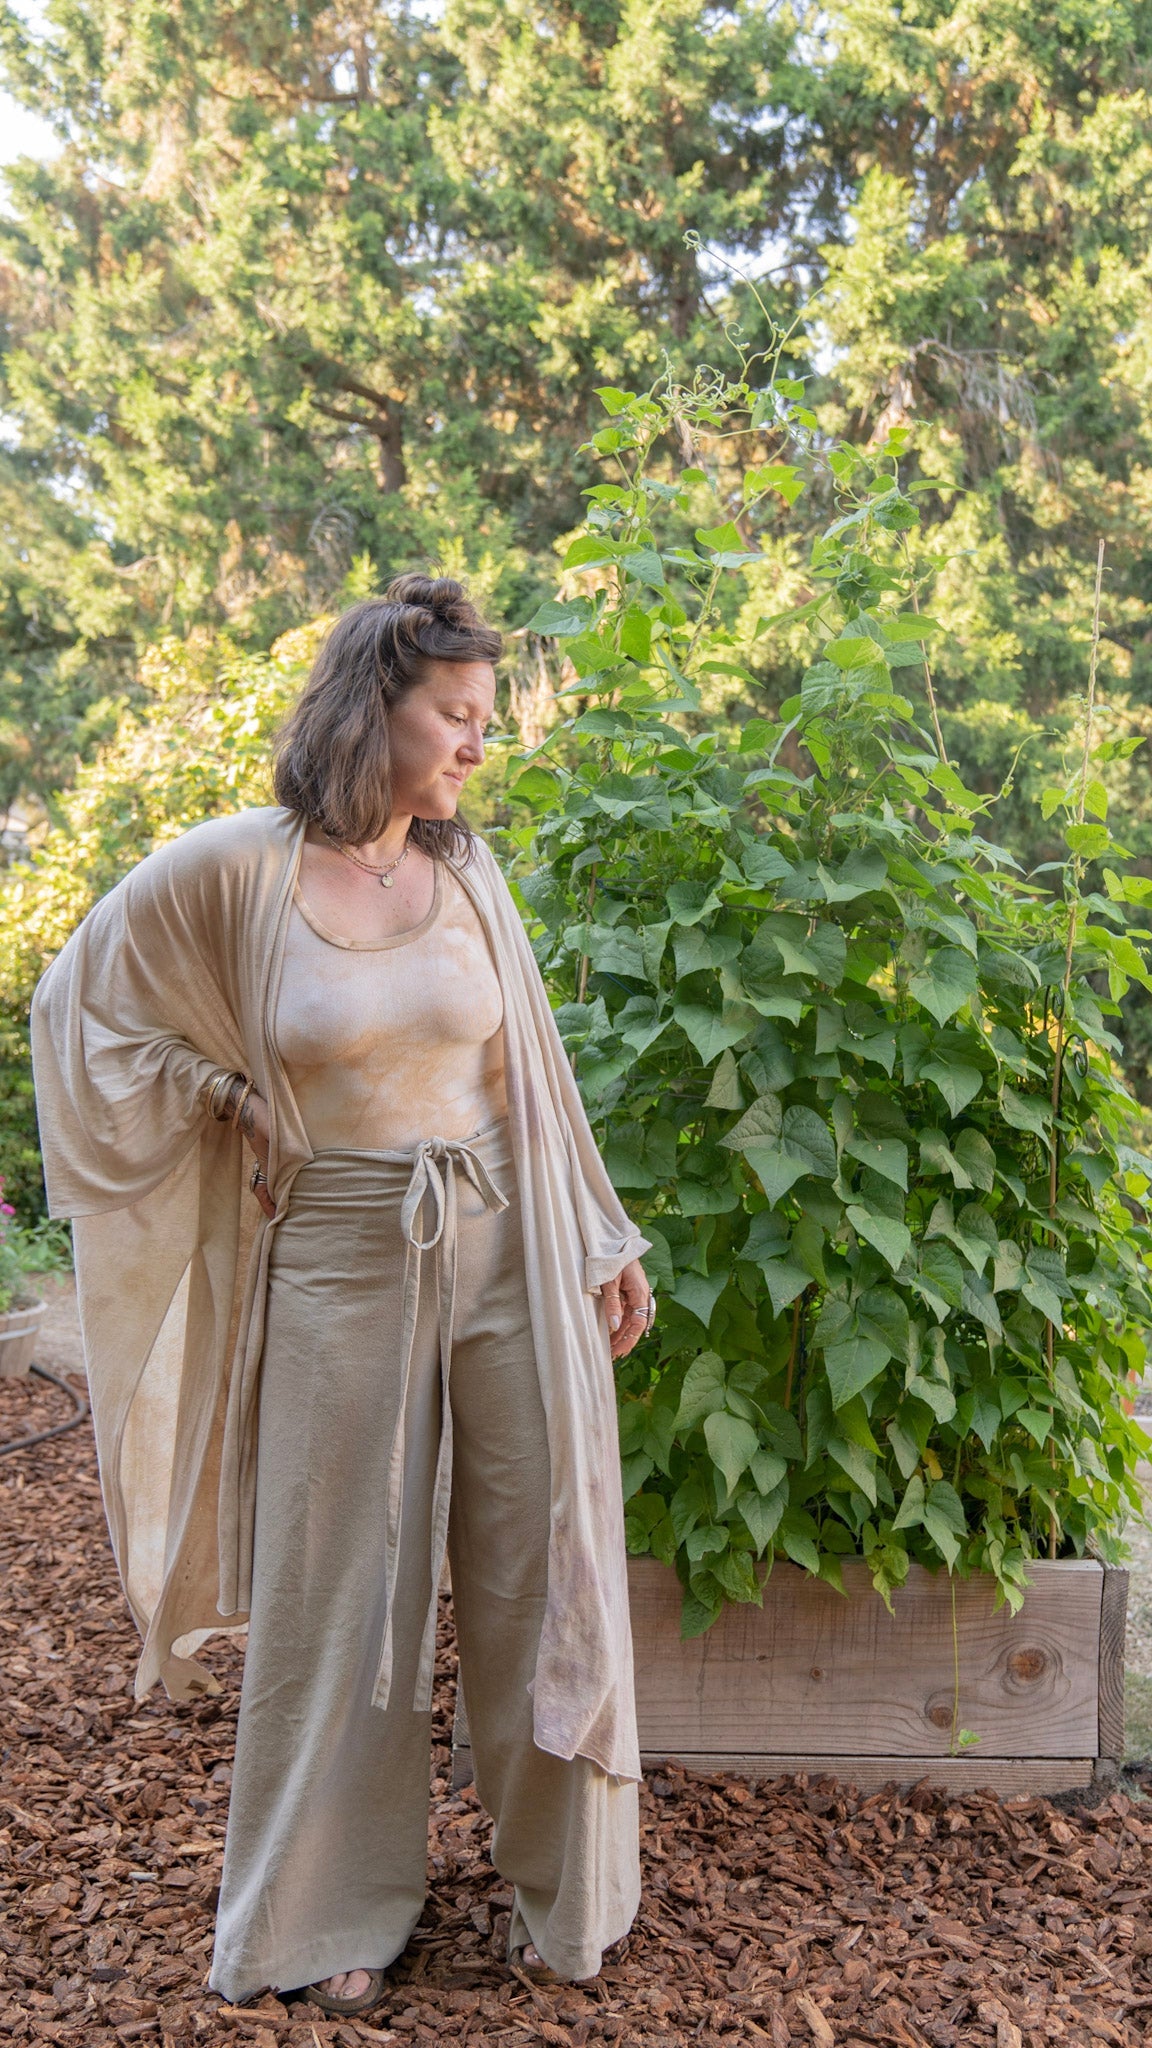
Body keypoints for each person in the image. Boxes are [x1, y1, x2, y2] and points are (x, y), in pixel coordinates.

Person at [31, 575, 655, 2018]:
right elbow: (85, 1007)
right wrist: (223, 1093)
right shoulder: (236, 873)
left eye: (485, 720)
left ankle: (566, 1895)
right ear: (376, 705)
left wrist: (601, 1241)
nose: (477, 745)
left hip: (505, 1242)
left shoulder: (471, 876)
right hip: (339, 1256)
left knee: (536, 1564)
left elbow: (534, 1081)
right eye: (457, 714)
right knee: (338, 1594)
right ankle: (324, 1914)